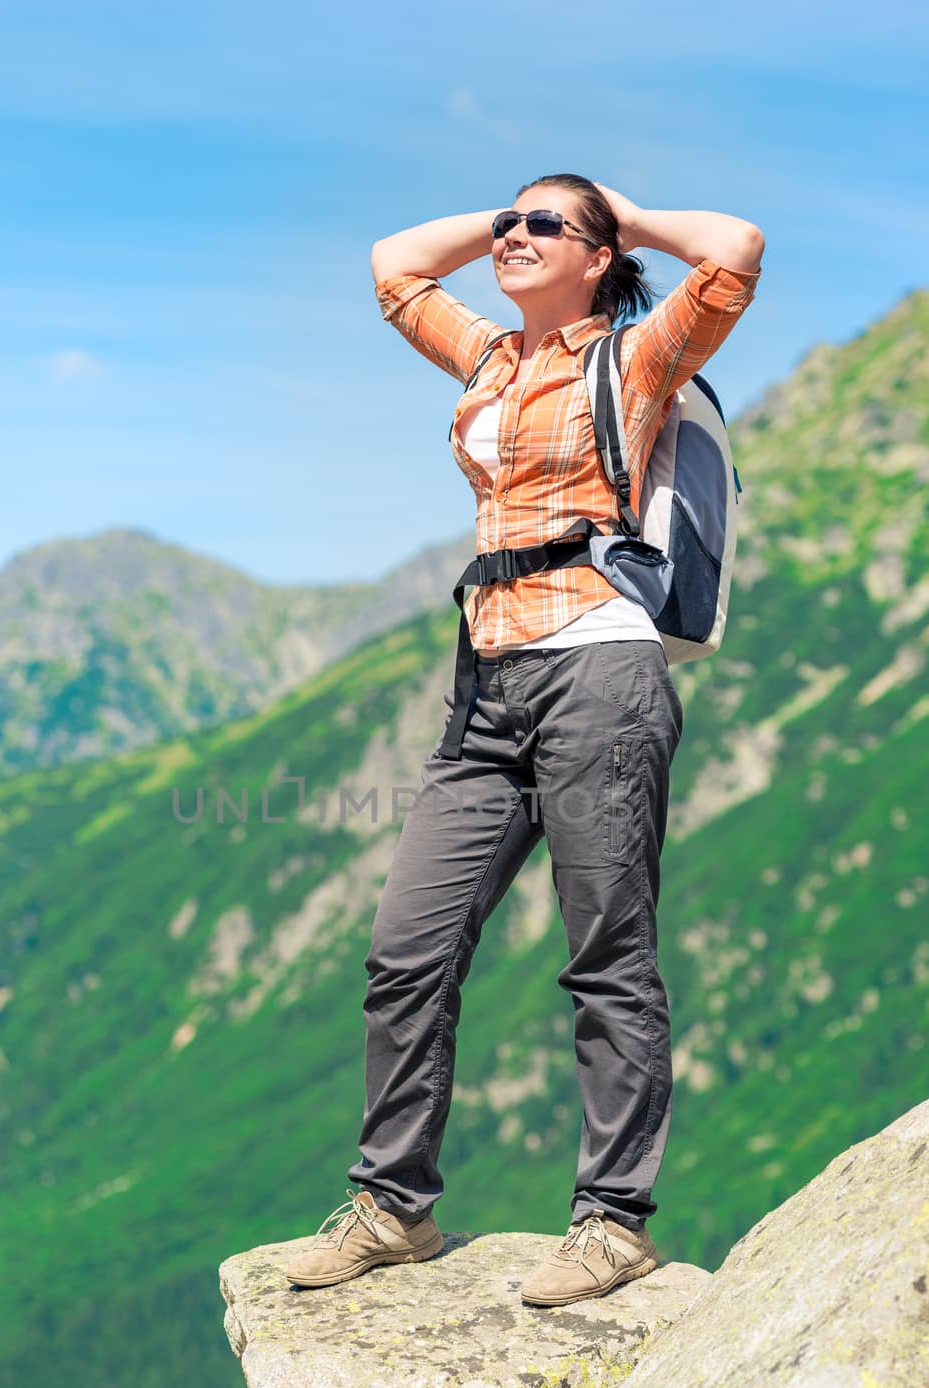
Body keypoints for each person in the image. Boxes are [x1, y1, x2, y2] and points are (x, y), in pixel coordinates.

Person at [286, 174, 763, 1304]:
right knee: (408, 944)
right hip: (488, 681)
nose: (511, 237)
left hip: (599, 668)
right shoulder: (491, 360)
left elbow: (736, 248)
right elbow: (394, 268)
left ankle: (613, 1220)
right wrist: (511, 214)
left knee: (608, 951)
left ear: (597, 257)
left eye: (541, 227)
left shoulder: (637, 361)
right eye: (507, 222)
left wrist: (615, 204)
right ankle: (393, 1205)